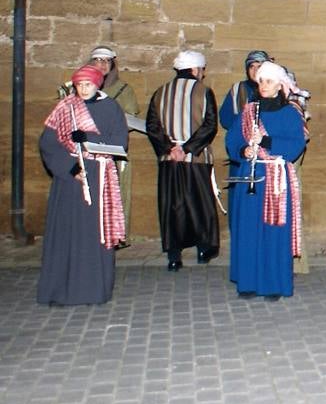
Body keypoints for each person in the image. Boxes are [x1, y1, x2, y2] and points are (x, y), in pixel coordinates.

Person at [37, 64, 128, 306]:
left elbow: (119, 142)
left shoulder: (111, 108)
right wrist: (69, 168)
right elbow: (48, 143)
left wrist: (89, 139)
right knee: (66, 232)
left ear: (97, 84)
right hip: (69, 179)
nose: (84, 89)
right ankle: (60, 290)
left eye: (88, 84)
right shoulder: (65, 108)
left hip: (98, 177)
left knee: (93, 234)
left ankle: (92, 290)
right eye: (79, 85)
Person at [225, 61, 306, 300]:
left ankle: (273, 284)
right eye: (261, 81)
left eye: (268, 81)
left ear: (280, 85)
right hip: (250, 177)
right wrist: (243, 151)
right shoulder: (249, 111)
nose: (263, 85)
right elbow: (232, 140)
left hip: (275, 179)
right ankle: (248, 281)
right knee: (248, 229)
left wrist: (266, 142)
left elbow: (296, 144)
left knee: (273, 231)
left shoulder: (290, 112)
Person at [145, 50, 219, 271]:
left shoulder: (160, 92)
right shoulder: (204, 91)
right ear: (196, 69)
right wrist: (187, 148)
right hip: (196, 159)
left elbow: (152, 126)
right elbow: (210, 125)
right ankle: (204, 250)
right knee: (201, 205)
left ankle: (174, 256)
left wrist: (169, 148)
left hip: (170, 160)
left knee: (171, 206)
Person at [219, 49, 270, 273]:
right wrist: (244, 133)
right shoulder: (238, 90)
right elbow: (227, 119)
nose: (256, 70)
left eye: (261, 65)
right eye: (252, 66)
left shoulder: (274, 90)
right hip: (244, 154)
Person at [88, 46, 140, 229]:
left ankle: (113, 233)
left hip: (112, 149)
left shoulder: (123, 90)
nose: (102, 65)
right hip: (88, 150)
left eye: (107, 61)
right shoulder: (82, 87)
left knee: (113, 194)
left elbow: (130, 118)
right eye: (99, 60)